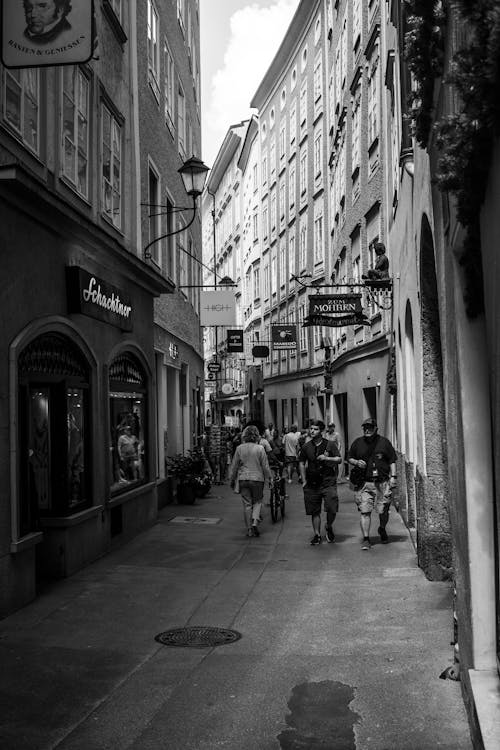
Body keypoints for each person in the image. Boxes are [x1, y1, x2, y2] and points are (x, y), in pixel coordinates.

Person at [348, 417, 397, 550]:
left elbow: (392, 460)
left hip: (382, 483)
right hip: (364, 483)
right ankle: (366, 539)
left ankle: (382, 528)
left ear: (376, 429)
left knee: (383, 511)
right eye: (365, 428)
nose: (367, 430)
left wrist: (394, 476)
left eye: (370, 427)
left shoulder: (384, 442)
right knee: (365, 511)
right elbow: (349, 458)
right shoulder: (357, 443)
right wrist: (356, 462)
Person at [298, 419, 342, 545]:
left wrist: (327, 458)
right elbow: (301, 462)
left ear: (321, 431)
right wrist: (304, 480)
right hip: (312, 483)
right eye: (311, 428)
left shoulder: (330, 444)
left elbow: (339, 459)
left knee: (332, 508)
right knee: (314, 511)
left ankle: (328, 526)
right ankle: (317, 535)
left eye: (315, 429)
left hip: (328, 482)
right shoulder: (306, 446)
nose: (312, 431)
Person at [229, 425, 272, 538]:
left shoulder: (239, 448)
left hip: (243, 478)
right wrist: (270, 478)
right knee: (257, 501)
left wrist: (232, 479)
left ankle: (249, 530)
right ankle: (254, 523)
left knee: (247, 505)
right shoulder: (260, 448)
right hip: (257, 479)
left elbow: (234, 466)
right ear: (257, 436)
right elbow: (265, 466)